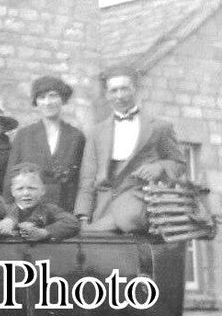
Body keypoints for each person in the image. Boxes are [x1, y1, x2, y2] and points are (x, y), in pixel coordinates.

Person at [75, 65, 186, 231]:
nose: (119, 96)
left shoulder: (160, 127)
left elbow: (179, 163)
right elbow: (88, 180)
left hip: (140, 206)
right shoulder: (96, 132)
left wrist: (159, 166)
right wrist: (83, 217)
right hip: (104, 208)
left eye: (124, 89)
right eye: (114, 91)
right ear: (107, 94)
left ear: (135, 89)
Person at [5, 76, 86, 212]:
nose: (47, 102)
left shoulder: (76, 136)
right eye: (41, 97)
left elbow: (83, 179)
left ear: (63, 100)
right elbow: (10, 177)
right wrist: (9, 212)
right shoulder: (24, 135)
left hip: (65, 210)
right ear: (36, 102)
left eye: (53, 96)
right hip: (29, 211)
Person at [1, 163, 80, 242]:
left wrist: (44, 232)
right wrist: (5, 223)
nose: (26, 193)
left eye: (32, 188)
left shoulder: (49, 210)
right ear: (12, 191)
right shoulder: (3, 210)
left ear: (43, 190)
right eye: (20, 189)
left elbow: (72, 222)